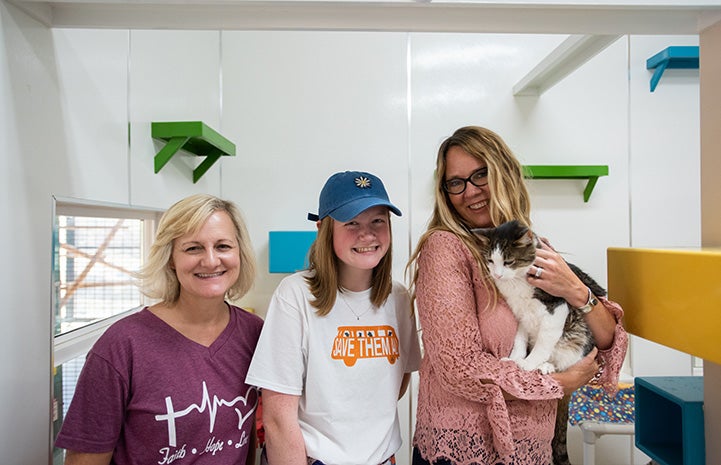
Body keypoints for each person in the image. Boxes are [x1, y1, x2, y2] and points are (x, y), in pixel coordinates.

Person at [407, 126, 628, 465]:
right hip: (463, 448)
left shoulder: (535, 247)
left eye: (481, 174)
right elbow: (458, 367)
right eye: (456, 182)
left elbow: (606, 340)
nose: (470, 191)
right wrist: (556, 384)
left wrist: (575, 290)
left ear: (504, 171)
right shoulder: (445, 249)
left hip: (532, 448)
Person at [55, 194, 264, 465]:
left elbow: (243, 440)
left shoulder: (256, 333)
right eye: (193, 248)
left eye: (223, 246)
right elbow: (84, 460)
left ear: (239, 253)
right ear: (170, 259)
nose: (211, 261)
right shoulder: (122, 345)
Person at [246, 171, 422, 465]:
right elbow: (277, 419)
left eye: (378, 220)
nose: (367, 234)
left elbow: (397, 383)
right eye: (352, 222)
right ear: (324, 228)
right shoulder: (295, 296)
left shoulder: (399, 298)